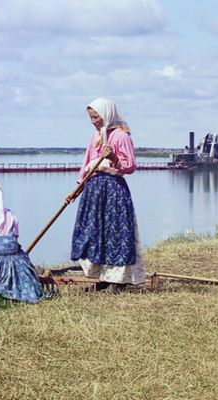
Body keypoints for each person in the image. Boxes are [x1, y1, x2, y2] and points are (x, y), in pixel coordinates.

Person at [66, 98, 146, 292]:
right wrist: (76, 190)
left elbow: (130, 166)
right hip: (93, 190)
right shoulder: (95, 137)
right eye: (91, 118)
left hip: (113, 191)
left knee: (115, 233)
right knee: (95, 233)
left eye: (96, 117)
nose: (93, 121)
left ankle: (118, 280)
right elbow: (86, 165)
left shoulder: (121, 136)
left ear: (107, 114)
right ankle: (101, 277)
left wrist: (113, 158)